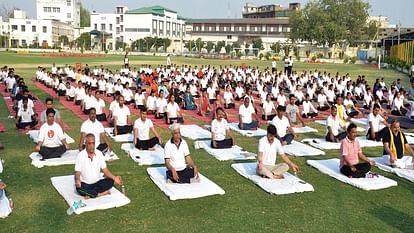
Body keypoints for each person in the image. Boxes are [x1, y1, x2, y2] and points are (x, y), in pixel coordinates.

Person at [75, 134, 123, 199]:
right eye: (89, 143)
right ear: (85, 144)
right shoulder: (80, 155)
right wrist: (77, 180)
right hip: (85, 184)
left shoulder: (99, 154)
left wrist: (114, 178)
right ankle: (99, 194)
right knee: (79, 189)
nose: (92, 146)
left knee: (110, 181)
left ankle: (91, 194)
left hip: (97, 182)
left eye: (93, 143)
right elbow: (77, 172)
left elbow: (105, 170)